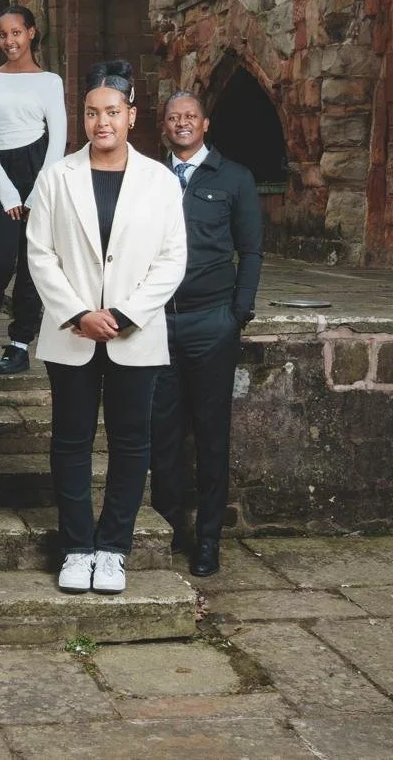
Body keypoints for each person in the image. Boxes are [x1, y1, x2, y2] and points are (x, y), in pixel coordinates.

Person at [25, 61, 187, 596]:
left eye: (112, 112)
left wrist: (125, 315)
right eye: (92, 113)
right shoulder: (55, 177)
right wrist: (77, 313)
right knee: (70, 441)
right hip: (72, 333)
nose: (102, 122)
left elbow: (171, 258)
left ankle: (113, 549)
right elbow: (40, 253)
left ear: (131, 117)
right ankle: (76, 548)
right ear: (84, 117)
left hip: (133, 334)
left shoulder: (160, 182)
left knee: (130, 443)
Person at [149, 91, 263, 578]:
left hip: (211, 321)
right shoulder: (150, 178)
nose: (182, 124)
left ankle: (209, 539)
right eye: (174, 118)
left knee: (212, 435)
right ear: (164, 126)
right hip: (157, 321)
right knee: (163, 432)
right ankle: (169, 527)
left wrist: (238, 313)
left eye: (190, 117)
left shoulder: (234, 178)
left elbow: (251, 251)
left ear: (205, 123)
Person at [0, 6, 67, 376]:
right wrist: (5, 188)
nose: (10, 40)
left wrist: (39, 190)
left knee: (32, 265)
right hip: (1, 170)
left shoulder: (50, 81)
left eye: (16, 32)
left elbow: (59, 138)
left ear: (32, 33)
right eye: (4, 34)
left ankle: (19, 344)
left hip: (39, 168)